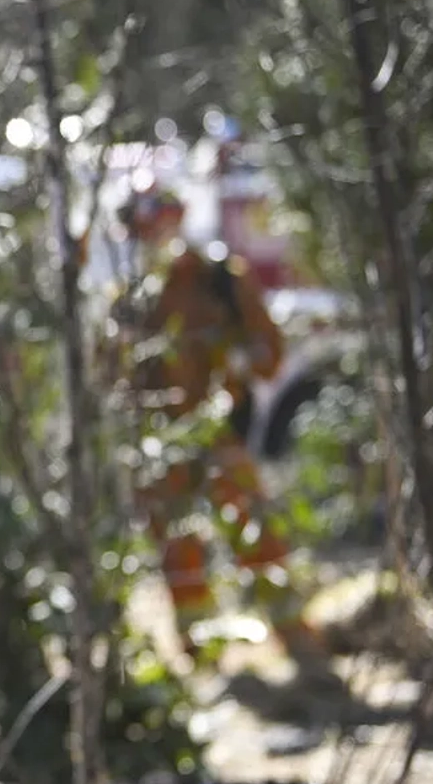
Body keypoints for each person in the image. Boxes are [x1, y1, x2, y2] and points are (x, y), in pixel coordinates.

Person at [117, 187, 313, 654]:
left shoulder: (222, 280)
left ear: (181, 219)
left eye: (164, 222)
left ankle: (296, 639)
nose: (157, 237)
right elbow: (112, 378)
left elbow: (270, 352)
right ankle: (201, 652)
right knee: (178, 551)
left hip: (219, 433)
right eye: (145, 230)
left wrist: (236, 363)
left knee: (254, 529)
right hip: (161, 445)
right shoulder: (130, 300)